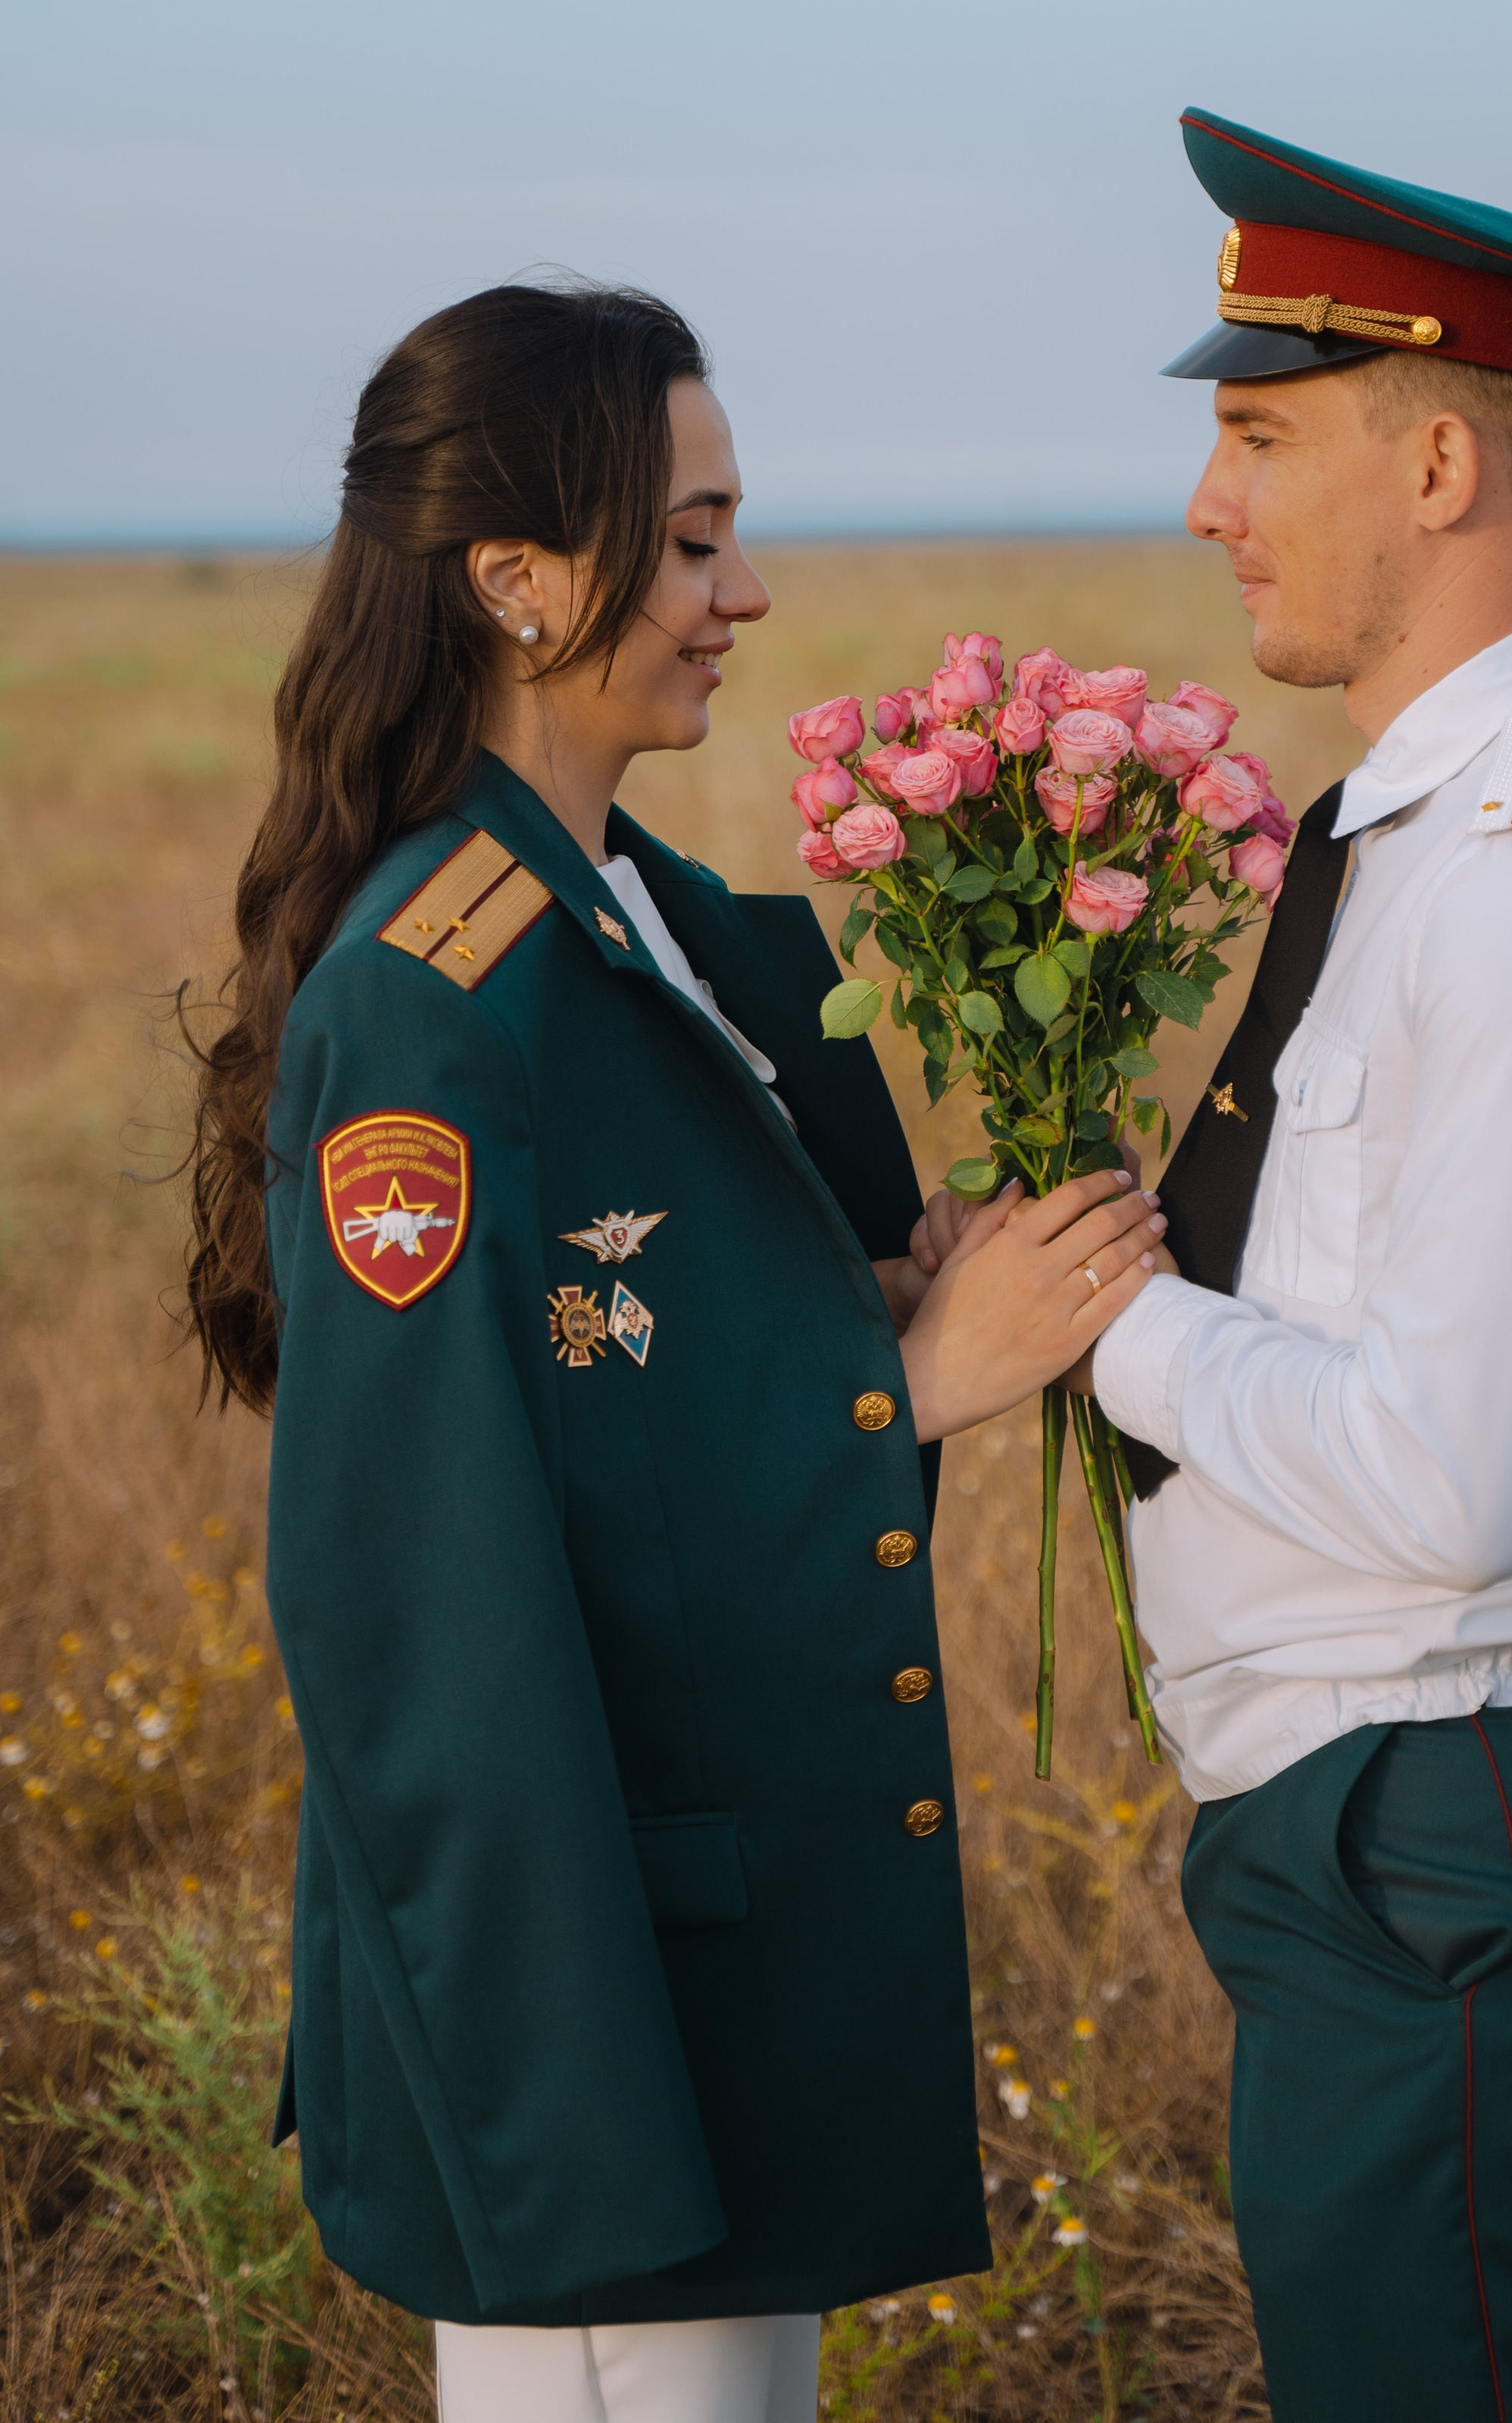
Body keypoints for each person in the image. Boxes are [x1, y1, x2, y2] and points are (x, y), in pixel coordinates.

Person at [181, 278, 1166, 2423]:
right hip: (604, 2032)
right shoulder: (434, 1003)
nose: (747, 591)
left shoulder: (643, 925)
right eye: (696, 537)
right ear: (523, 578)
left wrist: (885, 1316)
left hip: (729, 1964)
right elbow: (413, 1593)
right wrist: (902, 1395)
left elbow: (644, 1413)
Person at [1082, 111, 1512, 2423]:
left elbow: (1456, 1485)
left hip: (1453, 1840)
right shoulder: (1416, 830)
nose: (1212, 503)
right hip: (1383, 1838)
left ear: (1442, 465)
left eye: (1259, 435)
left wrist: (1116, 1319)